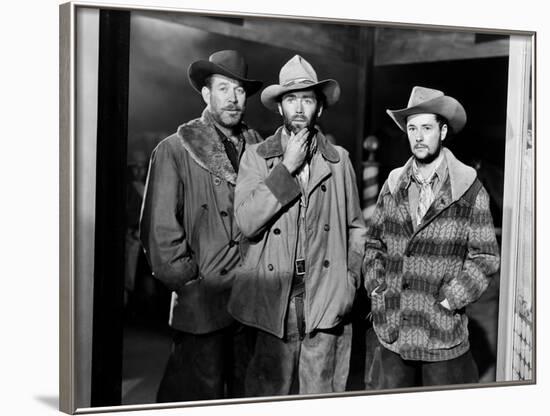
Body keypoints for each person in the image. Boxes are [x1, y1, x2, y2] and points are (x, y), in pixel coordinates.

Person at [228, 55, 366, 396]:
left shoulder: (339, 160)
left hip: (324, 294)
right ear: (280, 108)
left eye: (307, 99)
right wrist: (286, 167)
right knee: (267, 392)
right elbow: (246, 222)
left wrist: (349, 279)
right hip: (274, 297)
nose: (299, 108)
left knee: (320, 391)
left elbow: (356, 228)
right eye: (291, 99)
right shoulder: (257, 157)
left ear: (319, 108)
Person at [139, 50, 263, 402]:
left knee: (247, 397)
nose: (233, 98)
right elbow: (159, 234)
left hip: (250, 303)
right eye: (224, 88)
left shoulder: (258, 149)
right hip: (203, 305)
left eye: (239, 90)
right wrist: (192, 286)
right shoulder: (175, 149)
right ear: (206, 94)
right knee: (195, 399)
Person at [363, 86, 500, 388]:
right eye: (412, 128)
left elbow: (486, 257)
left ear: (443, 131)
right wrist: (377, 286)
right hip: (394, 331)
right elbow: (374, 243)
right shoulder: (393, 185)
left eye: (427, 127)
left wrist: (452, 299)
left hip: (440, 334)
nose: (419, 136)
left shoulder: (468, 190)